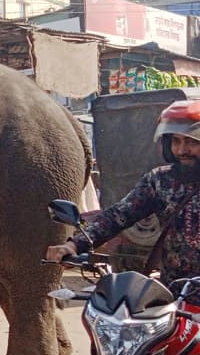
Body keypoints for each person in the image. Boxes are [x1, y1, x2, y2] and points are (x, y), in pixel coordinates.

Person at [47, 100, 200, 286]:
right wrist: (74, 245)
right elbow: (118, 215)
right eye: (176, 141)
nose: (182, 150)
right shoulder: (160, 181)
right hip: (176, 291)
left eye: (191, 142)